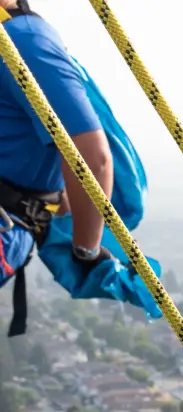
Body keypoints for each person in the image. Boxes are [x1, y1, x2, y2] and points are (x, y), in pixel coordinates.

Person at [0, 0, 119, 334]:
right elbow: (92, 160)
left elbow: (89, 160)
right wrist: (86, 253)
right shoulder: (25, 40)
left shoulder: (21, 42)